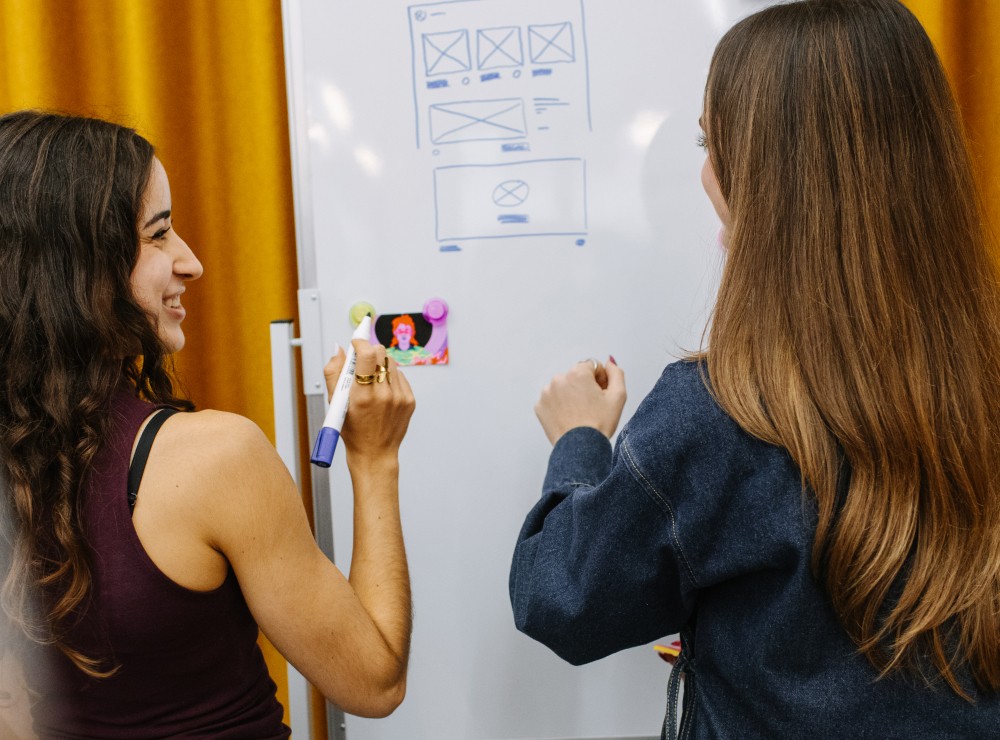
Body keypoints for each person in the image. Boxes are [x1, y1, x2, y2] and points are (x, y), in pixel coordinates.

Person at [508, 1, 1000, 738]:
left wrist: (578, 443)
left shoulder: (719, 414)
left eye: (713, 142)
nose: (706, 174)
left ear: (775, 174)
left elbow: (561, 597)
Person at [0, 110, 415, 738]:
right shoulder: (215, 458)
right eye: (159, 234)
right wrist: (374, 458)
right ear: (73, 266)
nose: (191, 263)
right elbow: (375, 681)